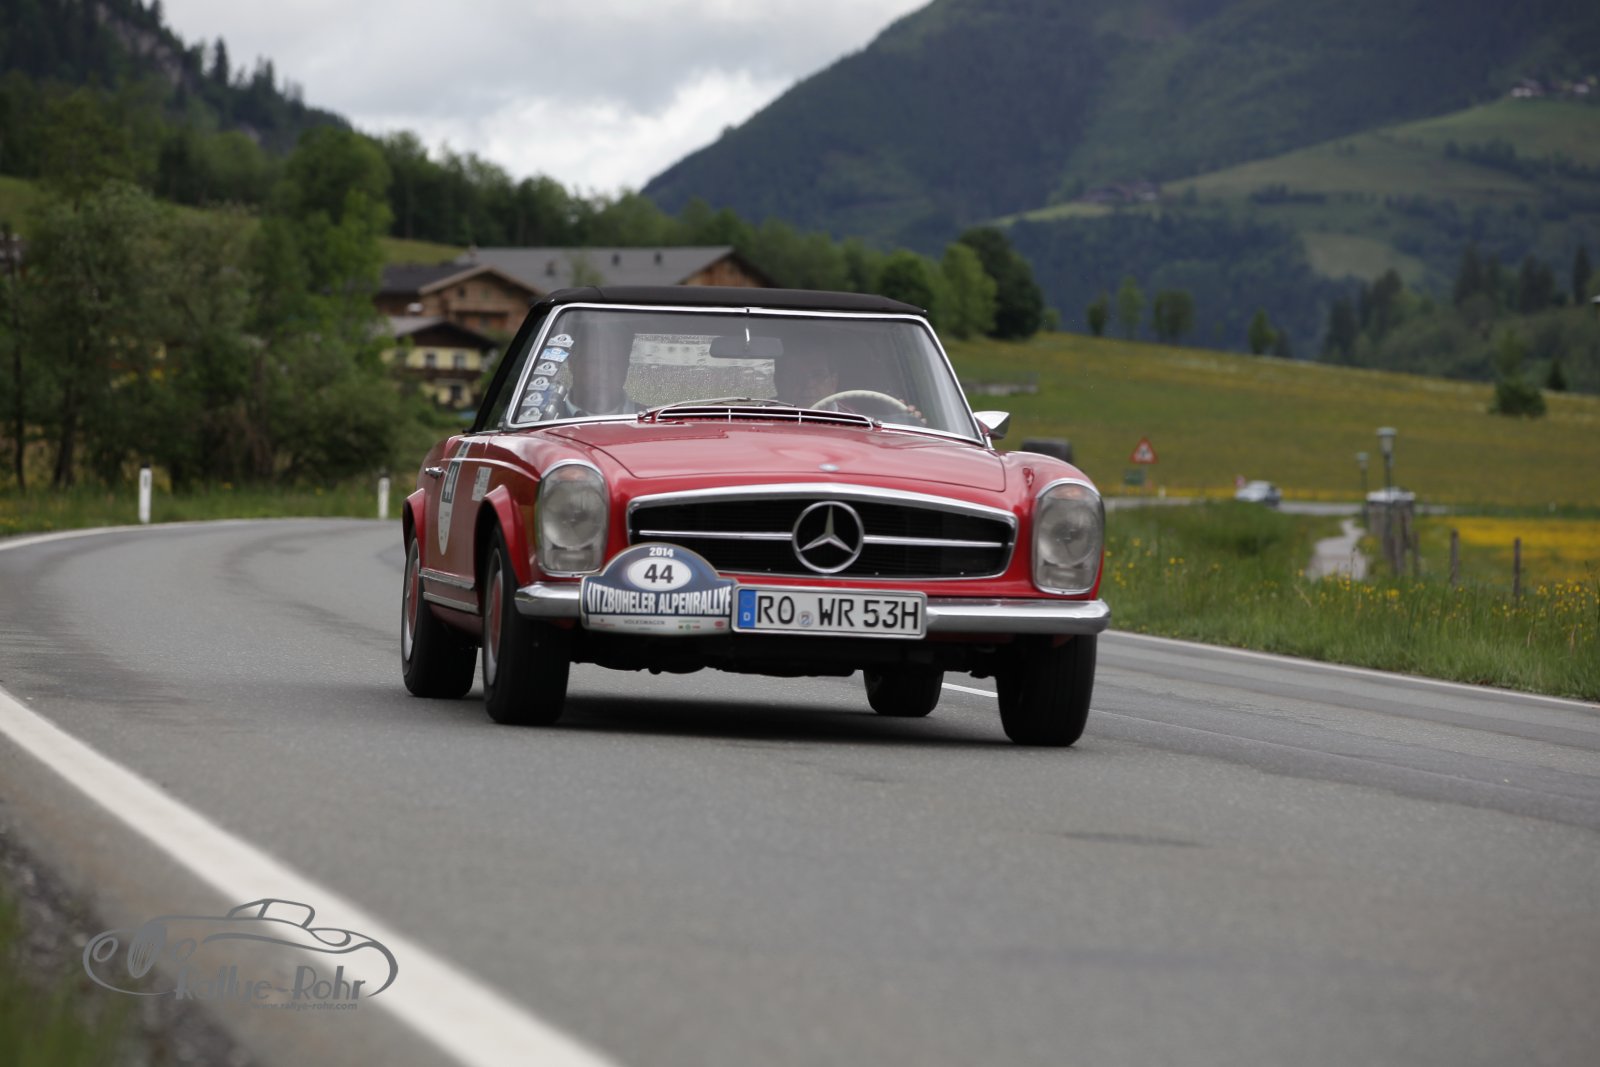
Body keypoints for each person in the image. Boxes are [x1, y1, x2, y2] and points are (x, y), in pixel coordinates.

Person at [773, 347, 842, 408]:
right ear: (779, 382)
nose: (809, 384)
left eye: (818, 375)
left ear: (833, 382)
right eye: (797, 375)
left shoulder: (847, 415)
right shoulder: (767, 415)